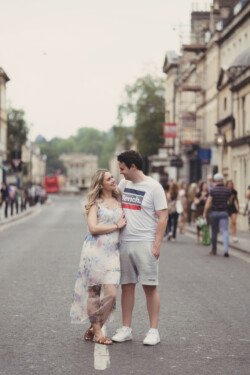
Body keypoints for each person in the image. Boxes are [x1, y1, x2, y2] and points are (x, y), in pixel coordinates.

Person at [111, 150, 168, 346]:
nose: (121, 173)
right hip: (125, 242)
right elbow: (113, 202)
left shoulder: (154, 187)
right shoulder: (124, 184)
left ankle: (153, 331)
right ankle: (126, 328)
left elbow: (163, 216)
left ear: (133, 167)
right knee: (126, 286)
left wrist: (157, 243)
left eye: (123, 168)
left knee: (150, 287)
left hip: (145, 242)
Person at [70, 169, 126, 345]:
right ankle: (99, 333)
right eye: (109, 178)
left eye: (112, 177)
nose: (113, 179)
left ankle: (95, 326)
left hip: (113, 252)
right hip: (94, 252)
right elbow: (93, 228)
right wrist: (116, 225)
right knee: (94, 293)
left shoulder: (119, 199)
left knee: (111, 293)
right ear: (100, 184)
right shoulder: (94, 203)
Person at [203, 173, 231, 257]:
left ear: (215, 181)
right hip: (224, 212)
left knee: (214, 231)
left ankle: (214, 249)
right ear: (222, 180)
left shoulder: (213, 190)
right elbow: (230, 201)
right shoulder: (227, 190)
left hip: (214, 213)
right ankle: (226, 249)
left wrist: (205, 212)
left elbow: (208, 203)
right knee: (225, 231)